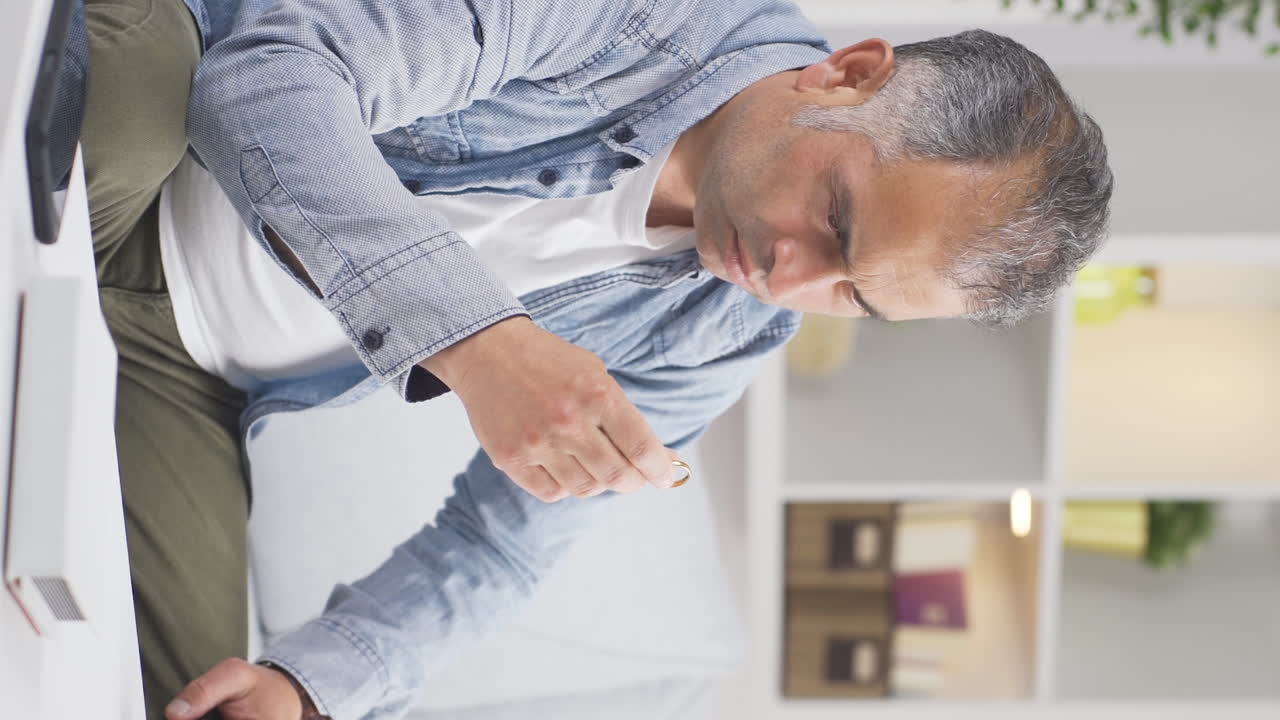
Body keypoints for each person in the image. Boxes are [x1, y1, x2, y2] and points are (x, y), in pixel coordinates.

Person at [79, 0, 1113, 718]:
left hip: (193, 375)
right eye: (834, 217)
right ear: (846, 76)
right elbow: (268, 76)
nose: (787, 274)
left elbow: (504, 545)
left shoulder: (733, 327)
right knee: (113, 105)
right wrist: (482, 346)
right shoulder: (631, 24)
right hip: (163, 151)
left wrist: (319, 683)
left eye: (850, 292)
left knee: (189, 694)